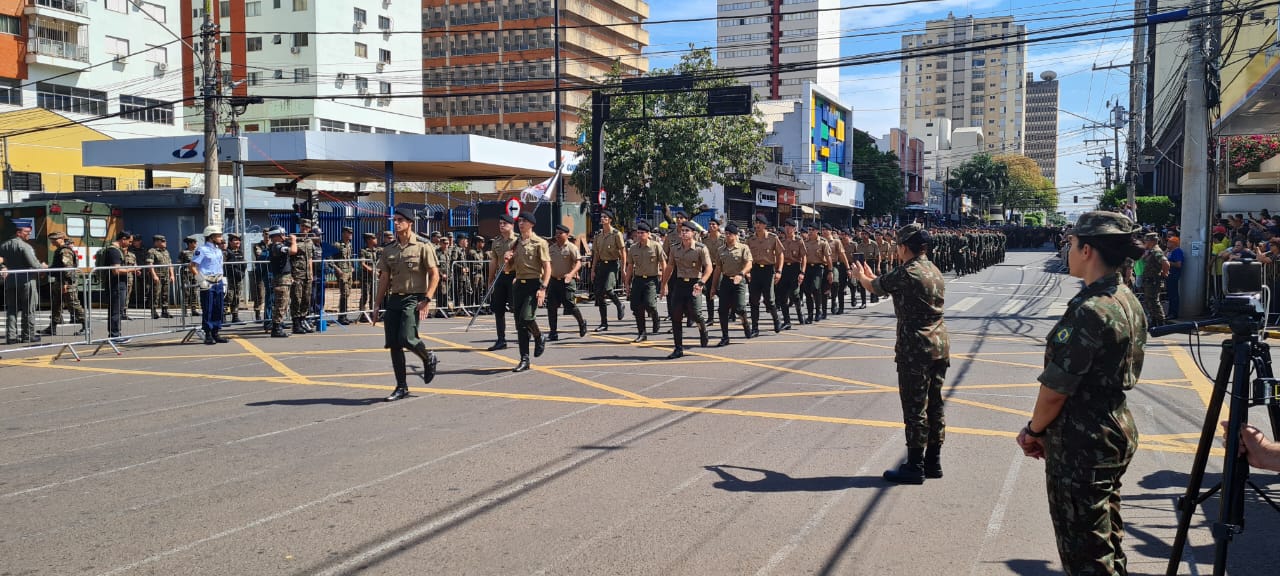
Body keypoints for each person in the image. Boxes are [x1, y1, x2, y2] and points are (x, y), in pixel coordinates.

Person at [1014, 211, 1146, 576]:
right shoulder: (1125, 298)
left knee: (1084, 551)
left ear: (1087, 250)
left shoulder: (1091, 310)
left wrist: (1034, 431)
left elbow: (1055, 390)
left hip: (1083, 439)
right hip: (1112, 427)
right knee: (1104, 535)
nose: (1066, 250)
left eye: (1071, 244)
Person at [850, 223, 949, 485]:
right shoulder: (933, 270)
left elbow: (875, 287)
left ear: (904, 247)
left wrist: (861, 276)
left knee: (915, 407)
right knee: (935, 404)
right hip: (939, 345)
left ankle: (914, 466)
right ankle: (933, 462)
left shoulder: (908, 272)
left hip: (915, 348)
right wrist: (870, 276)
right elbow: (882, 282)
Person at [373, 207, 440, 401]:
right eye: (394, 220)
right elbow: (384, 278)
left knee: (407, 338)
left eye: (400, 220)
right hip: (394, 299)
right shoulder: (389, 249)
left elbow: (434, 274)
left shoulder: (422, 246)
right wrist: (377, 304)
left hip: (414, 298)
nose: (396, 223)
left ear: (410, 222)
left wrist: (427, 298)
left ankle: (428, 358)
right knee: (393, 344)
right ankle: (401, 386)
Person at [660, 220, 712, 359]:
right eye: (682, 231)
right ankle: (678, 348)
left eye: (687, 231)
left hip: (695, 283)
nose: (683, 233)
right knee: (676, 316)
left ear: (693, 233)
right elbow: (670, 267)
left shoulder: (701, 248)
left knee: (695, 313)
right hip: (680, 284)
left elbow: (709, 268)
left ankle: (703, 330)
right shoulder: (675, 248)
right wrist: (663, 284)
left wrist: (701, 283)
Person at [508, 211, 551, 372]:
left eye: (524, 221)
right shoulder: (516, 243)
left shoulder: (540, 243)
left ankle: (539, 337)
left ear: (531, 224)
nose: (520, 224)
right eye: (519, 221)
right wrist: (507, 259)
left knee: (526, 317)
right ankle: (524, 359)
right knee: (520, 325)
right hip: (519, 284)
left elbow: (547, 267)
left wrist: (543, 288)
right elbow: (508, 268)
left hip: (533, 284)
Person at [1, 219, 45, 343]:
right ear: (18, 232)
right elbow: (34, 265)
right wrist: (43, 267)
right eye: (26, 232)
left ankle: (11, 337)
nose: (29, 234)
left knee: (11, 310)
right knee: (29, 309)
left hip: (10, 281)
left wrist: (3, 268)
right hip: (27, 281)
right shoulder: (25, 246)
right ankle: (28, 335)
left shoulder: (4, 245)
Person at [711, 221, 752, 346]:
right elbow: (718, 269)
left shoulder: (743, 248)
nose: (727, 236)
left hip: (739, 281)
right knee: (722, 310)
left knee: (739, 308)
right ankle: (725, 336)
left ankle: (745, 322)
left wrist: (741, 274)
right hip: (726, 281)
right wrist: (713, 286)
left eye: (729, 234)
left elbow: (749, 263)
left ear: (735, 235)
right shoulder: (721, 250)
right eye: (726, 234)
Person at [624, 220, 666, 342]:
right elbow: (630, 266)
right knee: (636, 307)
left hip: (651, 280)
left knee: (650, 304)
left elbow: (663, 264)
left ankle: (655, 317)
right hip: (638, 280)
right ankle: (642, 332)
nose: (639, 235)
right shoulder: (633, 248)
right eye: (638, 233)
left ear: (648, 234)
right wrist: (626, 283)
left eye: (642, 233)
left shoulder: (656, 246)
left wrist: (664, 282)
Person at [745, 214, 784, 336]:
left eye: (759, 223)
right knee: (753, 300)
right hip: (755, 270)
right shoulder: (750, 239)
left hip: (768, 271)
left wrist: (779, 271)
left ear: (765, 225)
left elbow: (780, 254)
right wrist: (747, 272)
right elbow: (746, 257)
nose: (757, 225)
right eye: (756, 223)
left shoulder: (772, 238)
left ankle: (776, 320)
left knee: (769, 300)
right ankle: (755, 328)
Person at [546, 224, 587, 341]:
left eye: (560, 233)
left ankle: (581, 322)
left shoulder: (571, 247)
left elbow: (579, 262)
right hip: (554, 281)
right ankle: (553, 332)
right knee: (551, 307)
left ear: (567, 235)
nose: (557, 235)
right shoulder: (552, 248)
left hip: (567, 281)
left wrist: (571, 273)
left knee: (570, 305)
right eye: (556, 233)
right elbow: (547, 264)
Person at [190, 226, 229, 345]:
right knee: (208, 308)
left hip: (218, 281)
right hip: (207, 281)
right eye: (218, 236)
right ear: (211, 237)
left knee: (218, 307)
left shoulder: (218, 250)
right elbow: (192, 266)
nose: (221, 238)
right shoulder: (202, 250)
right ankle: (208, 334)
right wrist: (201, 280)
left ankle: (216, 333)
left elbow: (219, 266)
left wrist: (223, 279)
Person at [43, 232, 85, 336]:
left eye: (54, 240)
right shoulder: (59, 250)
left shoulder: (65, 251)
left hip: (66, 283)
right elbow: (58, 268)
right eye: (51, 240)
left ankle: (86, 326)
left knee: (74, 305)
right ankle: (52, 327)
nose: (52, 242)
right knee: (56, 305)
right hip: (59, 281)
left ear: (61, 239)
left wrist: (66, 283)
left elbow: (68, 269)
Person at [591, 209, 627, 332]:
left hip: (612, 264)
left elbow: (623, 252)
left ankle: (619, 304)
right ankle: (604, 323)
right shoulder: (598, 235)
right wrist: (593, 270)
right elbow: (596, 253)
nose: (602, 219)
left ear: (610, 220)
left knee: (608, 289)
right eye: (601, 217)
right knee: (599, 294)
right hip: (601, 265)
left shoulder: (616, 234)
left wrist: (623, 268)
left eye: (605, 217)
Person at [486, 214, 518, 350]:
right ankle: (501, 339)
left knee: (516, 308)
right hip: (500, 276)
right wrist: (490, 280)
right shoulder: (496, 241)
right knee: (498, 309)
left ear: (512, 225)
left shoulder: (518, 241)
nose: (501, 225)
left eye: (504, 223)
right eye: (500, 223)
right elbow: (494, 261)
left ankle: (524, 334)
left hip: (515, 276)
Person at [100, 231, 135, 341]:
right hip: (117, 285)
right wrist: (133, 269)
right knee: (116, 311)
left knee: (115, 310)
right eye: (129, 241)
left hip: (116, 284)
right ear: (123, 239)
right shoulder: (114, 251)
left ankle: (114, 334)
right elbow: (116, 271)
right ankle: (115, 335)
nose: (130, 244)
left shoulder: (113, 250)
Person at [265, 227, 297, 337]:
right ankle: (276, 328)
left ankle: (278, 326)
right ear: (276, 235)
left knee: (284, 304)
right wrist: (294, 241)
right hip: (281, 279)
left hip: (285, 278)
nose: (284, 236)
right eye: (282, 234)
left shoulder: (280, 246)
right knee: (280, 304)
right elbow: (293, 251)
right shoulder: (277, 246)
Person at [777, 219, 806, 328]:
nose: (787, 228)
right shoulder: (780, 241)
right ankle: (787, 321)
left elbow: (804, 257)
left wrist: (802, 272)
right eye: (786, 226)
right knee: (783, 296)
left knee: (794, 294)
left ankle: (799, 313)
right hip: (783, 268)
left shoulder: (799, 241)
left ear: (794, 228)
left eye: (790, 226)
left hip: (794, 268)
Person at [1138, 232, 1170, 328]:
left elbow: (1166, 263)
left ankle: (1160, 322)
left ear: (1151, 241)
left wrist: (1164, 273)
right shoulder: (1151, 251)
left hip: (1154, 280)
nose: (1145, 243)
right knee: (1149, 301)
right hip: (1149, 280)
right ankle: (1154, 321)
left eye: (1146, 241)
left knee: (1154, 301)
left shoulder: (1156, 251)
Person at [146, 235, 175, 320]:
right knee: (155, 294)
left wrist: (172, 275)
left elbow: (170, 264)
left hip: (165, 276)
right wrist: (154, 275)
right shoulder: (152, 251)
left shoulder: (166, 251)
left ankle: (165, 311)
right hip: (157, 276)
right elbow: (150, 264)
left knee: (165, 294)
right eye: (162, 241)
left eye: (164, 241)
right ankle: (154, 311)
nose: (165, 243)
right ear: (157, 242)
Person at [332, 226, 355, 324]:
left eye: (351, 233)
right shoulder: (337, 245)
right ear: (343, 233)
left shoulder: (349, 244)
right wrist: (338, 270)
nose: (350, 235)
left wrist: (352, 267)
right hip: (342, 272)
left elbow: (349, 257)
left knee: (348, 293)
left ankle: (344, 315)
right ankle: (341, 316)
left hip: (349, 272)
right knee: (344, 293)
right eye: (348, 233)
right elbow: (331, 259)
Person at [223, 233, 246, 323]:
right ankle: (223, 316)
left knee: (236, 297)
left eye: (238, 240)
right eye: (235, 240)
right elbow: (225, 265)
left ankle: (235, 316)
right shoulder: (227, 252)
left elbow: (244, 264)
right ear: (230, 242)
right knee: (228, 297)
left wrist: (242, 273)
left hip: (238, 278)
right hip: (229, 278)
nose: (238, 242)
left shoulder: (240, 252)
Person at [357, 231, 381, 322]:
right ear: (369, 240)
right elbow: (362, 263)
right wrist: (372, 270)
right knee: (365, 295)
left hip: (374, 277)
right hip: (366, 277)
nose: (376, 240)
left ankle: (372, 313)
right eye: (374, 238)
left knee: (374, 296)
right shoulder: (363, 251)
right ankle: (363, 314)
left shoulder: (376, 250)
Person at [179, 235, 200, 317]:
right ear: (189, 243)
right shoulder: (183, 252)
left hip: (195, 274)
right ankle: (185, 310)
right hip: (186, 274)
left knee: (194, 292)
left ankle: (194, 309)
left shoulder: (197, 252)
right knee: (186, 292)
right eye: (194, 242)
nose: (195, 244)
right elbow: (180, 263)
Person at [1165, 236, 1183, 320]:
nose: (1167, 243)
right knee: (1170, 295)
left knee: (1173, 295)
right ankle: (1170, 312)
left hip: (1174, 275)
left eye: (1169, 242)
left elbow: (1179, 264)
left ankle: (1174, 313)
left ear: (1174, 243)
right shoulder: (1169, 251)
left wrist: (1167, 262)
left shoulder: (1177, 251)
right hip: (1169, 275)